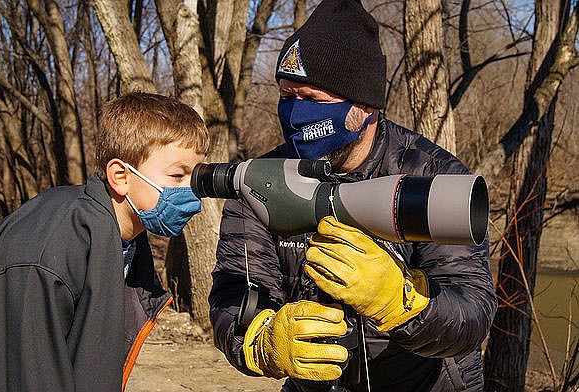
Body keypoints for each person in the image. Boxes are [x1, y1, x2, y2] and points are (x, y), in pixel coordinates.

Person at [209, 0, 497, 391]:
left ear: (364, 107)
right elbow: (234, 293)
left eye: (313, 100)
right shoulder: (259, 183)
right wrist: (260, 341)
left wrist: (401, 303)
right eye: (286, 95)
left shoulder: (430, 174)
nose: (294, 114)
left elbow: (473, 312)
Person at [0, 92, 209, 392]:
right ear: (120, 175)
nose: (191, 193)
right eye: (177, 176)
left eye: (193, 178)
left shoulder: (124, 242)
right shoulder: (48, 254)